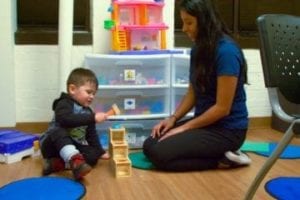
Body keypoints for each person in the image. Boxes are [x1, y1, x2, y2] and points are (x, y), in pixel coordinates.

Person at [143, 0, 251, 171]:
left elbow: (222, 108)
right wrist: (173, 119)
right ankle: (221, 154)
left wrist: (184, 128)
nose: (184, 29)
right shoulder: (199, 48)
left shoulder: (227, 52)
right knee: (149, 144)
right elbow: (192, 93)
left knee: (160, 154)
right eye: (183, 22)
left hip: (228, 131)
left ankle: (225, 159)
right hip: (206, 124)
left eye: (189, 23)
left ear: (205, 21)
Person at [40, 68, 109, 180]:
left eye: (94, 93)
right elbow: (65, 119)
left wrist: (99, 151)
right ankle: (74, 160)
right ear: (72, 89)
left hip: (73, 147)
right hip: (52, 146)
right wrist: (93, 118)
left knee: (93, 156)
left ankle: (59, 164)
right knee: (58, 130)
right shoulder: (63, 103)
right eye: (89, 92)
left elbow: (91, 135)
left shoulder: (88, 111)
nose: (92, 96)